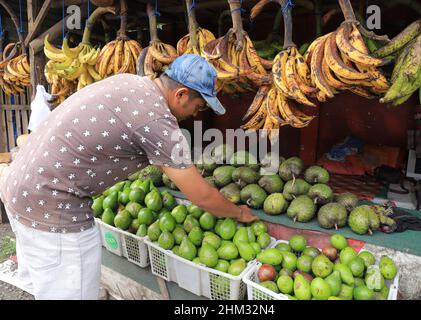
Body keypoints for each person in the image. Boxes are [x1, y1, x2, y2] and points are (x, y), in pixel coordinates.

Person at [0, 54, 258, 300]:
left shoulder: (131, 82)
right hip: (54, 205)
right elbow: (201, 196)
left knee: (49, 287)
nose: (195, 114)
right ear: (181, 94)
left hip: (20, 185)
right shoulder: (157, 119)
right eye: (198, 106)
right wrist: (239, 213)